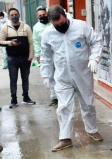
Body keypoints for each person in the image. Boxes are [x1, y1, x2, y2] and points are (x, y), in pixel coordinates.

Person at [40, 5, 103, 151]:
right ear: (51, 22)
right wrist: (46, 74)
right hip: (62, 76)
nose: (61, 27)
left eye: (63, 23)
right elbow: (46, 56)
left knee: (88, 104)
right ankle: (65, 138)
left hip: (82, 74)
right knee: (63, 107)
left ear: (65, 15)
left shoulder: (81, 27)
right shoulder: (48, 33)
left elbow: (96, 41)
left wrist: (94, 59)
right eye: (57, 25)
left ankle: (92, 130)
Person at [0, 7, 36, 109]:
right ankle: (13, 100)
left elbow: (31, 43)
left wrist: (31, 56)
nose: (14, 16)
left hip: (25, 58)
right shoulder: (5, 27)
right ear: (9, 17)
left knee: (25, 79)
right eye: (12, 15)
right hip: (12, 58)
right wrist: (10, 43)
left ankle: (26, 97)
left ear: (19, 15)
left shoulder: (26, 27)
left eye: (16, 14)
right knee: (13, 80)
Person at [33, 6, 58, 107]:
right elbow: (36, 42)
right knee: (50, 75)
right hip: (45, 54)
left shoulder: (53, 23)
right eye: (40, 15)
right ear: (37, 16)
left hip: (57, 52)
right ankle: (54, 96)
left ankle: (61, 93)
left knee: (60, 73)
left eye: (44, 15)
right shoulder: (36, 27)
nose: (42, 16)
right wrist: (38, 55)